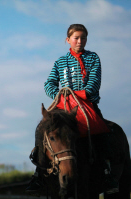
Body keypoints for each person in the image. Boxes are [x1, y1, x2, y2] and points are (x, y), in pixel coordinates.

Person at [26, 24, 118, 194]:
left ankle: (107, 172)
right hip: (63, 104)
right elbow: (49, 84)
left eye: (83, 38)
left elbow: (94, 83)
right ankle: (39, 174)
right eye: (76, 37)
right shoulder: (60, 62)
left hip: (86, 103)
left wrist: (80, 94)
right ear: (68, 40)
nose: (80, 41)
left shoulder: (93, 58)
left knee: (100, 130)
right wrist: (60, 95)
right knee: (41, 128)